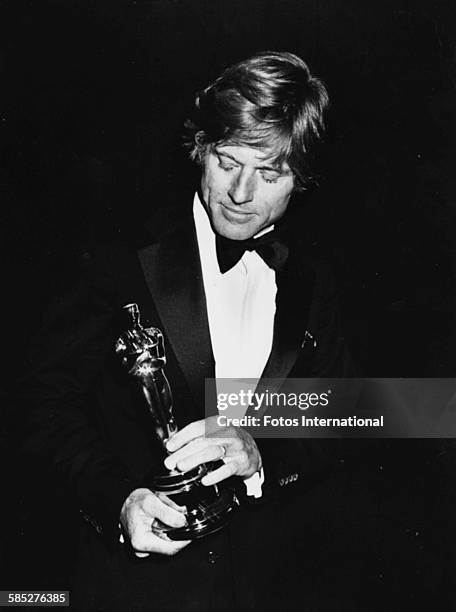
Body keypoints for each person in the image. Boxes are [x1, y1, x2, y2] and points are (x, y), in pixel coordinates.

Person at [18, 51, 354, 611]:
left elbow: (346, 414)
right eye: (227, 162)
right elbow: (40, 402)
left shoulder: (315, 279)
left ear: (302, 179)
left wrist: (262, 452)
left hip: (270, 586)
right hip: (133, 589)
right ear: (201, 149)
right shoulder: (117, 252)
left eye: (270, 173)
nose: (241, 193)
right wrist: (118, 501)